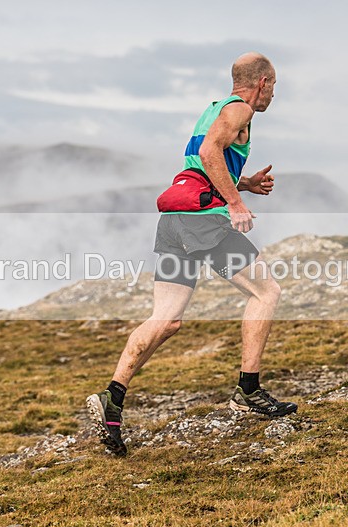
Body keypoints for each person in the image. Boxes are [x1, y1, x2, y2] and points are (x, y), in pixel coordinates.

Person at [86, 52, 297, 456]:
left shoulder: (215, 109)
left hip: (173, 220)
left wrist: (244, 183)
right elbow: (209, 153)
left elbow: (204, 163)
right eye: (274, 87)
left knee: (165, 320)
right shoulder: (239, 110)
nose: (274, 95)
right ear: (263, 83)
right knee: (266, 292)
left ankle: (112, 398)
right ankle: (248, 391)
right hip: (203, 220)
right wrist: (235, 203)